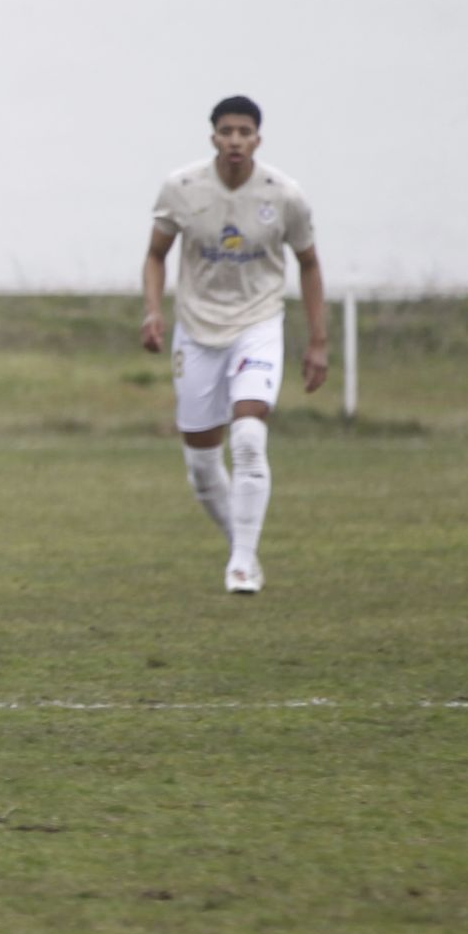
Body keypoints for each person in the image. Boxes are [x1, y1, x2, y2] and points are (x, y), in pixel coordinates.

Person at [141, 95, 327, 595]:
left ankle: (242, 564)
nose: (236, 140)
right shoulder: (182, 189)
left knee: (247, 435)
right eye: (227, 131)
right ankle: (241, 546)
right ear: (214, 138)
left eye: (245, 132)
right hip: (198, 331)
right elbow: (156, 255)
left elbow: (309, 264)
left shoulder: (284, 195)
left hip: (258, 323)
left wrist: (318, 341)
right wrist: (154, 310)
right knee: (203, 466)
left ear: (257, 139)